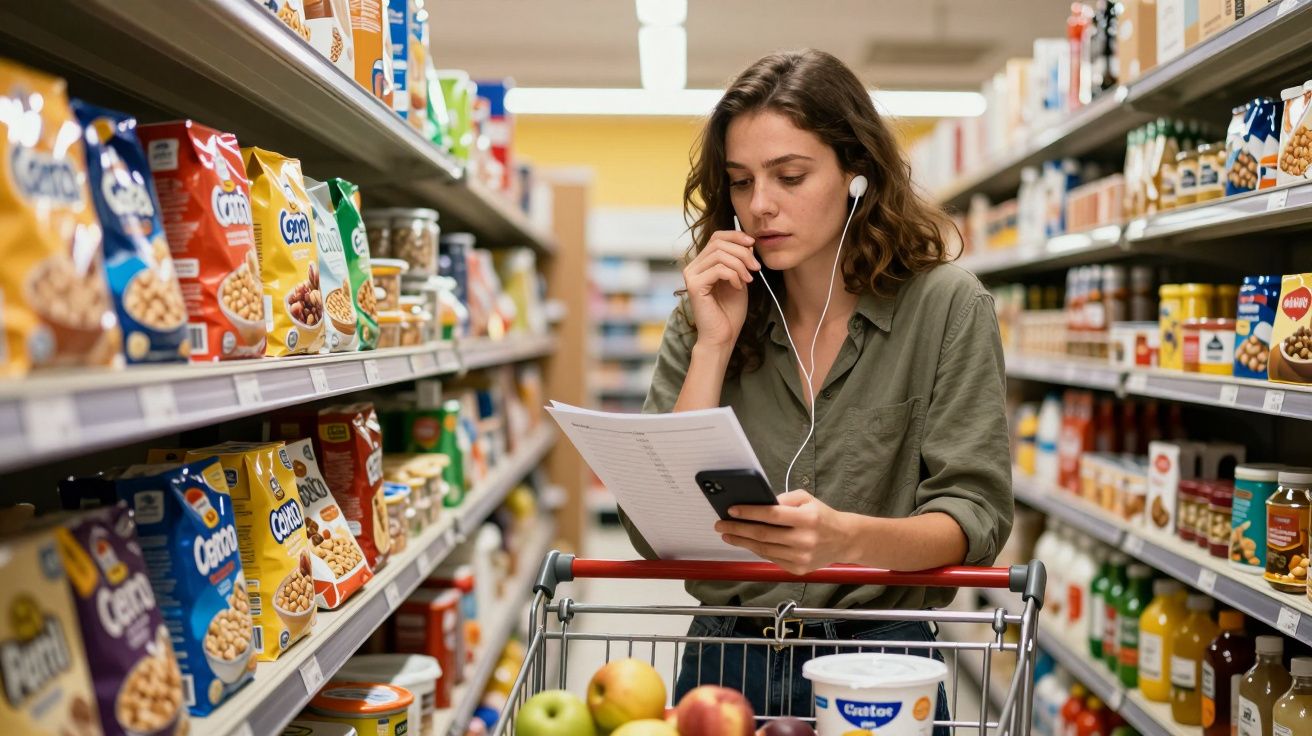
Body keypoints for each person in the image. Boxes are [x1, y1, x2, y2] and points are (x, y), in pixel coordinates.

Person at [618, 49, 1014, 724]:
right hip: (723, 662)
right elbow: (655, 528)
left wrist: (844, 541)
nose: (760, 205)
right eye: (740, 182)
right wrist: (713, 343)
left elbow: (972, 518)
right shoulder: (709, 308)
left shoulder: (945, 306)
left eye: (790, 175)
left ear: (857, 173)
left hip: (880, 666)